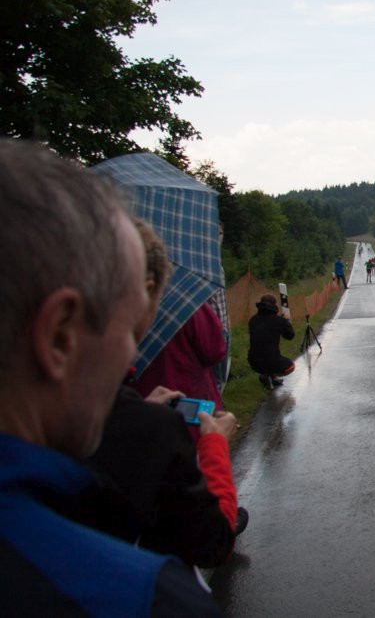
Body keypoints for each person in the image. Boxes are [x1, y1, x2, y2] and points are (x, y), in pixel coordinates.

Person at [0, 139, 221, 615]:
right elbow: (210, 541)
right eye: (128, 329)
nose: (132, 356)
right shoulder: (147, 597)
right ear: (60, 337)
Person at [76, 220, 245, 567]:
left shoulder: (79, 402)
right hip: (191, 411)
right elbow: (215, 350)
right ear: (145, 290)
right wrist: (215, 445)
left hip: (141, 399)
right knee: (192, 499)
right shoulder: (189, 303)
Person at [132, 301, 228, 411]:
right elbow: (215, 351)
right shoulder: (185, 303)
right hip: (191, 402)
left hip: (141, 405)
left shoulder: (122, 310)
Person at [248, 294, 296, 388]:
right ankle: (270, 375)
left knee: (267, 354)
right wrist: (286, 321)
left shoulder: (253, 320)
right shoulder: (279, 321)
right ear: (274, 305)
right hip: (273, 361)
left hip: (253, 361)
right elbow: (290, 336)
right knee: (291, 366)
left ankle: (266, 375)